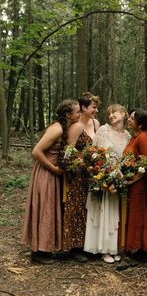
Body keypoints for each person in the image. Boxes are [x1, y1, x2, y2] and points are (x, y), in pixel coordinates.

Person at [22, 99, 80, 264]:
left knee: (49, 210)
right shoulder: (57, 129)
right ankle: (38, 253)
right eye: (77, 112)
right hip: (46, 173)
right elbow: (36, 151)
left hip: (53, 174)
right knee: (45, 209)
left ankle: (45, 248)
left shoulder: (64, 128)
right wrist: (53, 168)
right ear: (68, 114)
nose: (79, 114)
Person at [84, 104, 131, 263]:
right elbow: (94, 153)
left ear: (123, 113)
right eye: (109, 113)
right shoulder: (103, 130)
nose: (111, 115)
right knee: (105, 211)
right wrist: (102, 172)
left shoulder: (127, 135)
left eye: (114, 112)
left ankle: (115, 247)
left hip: (119, 179)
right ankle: (104, 250)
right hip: (103, 177)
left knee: (116, 214)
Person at [62, 92, 100, 262]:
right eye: (93, 107)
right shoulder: (76, 127)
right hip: (78, 174)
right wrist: (83, 162)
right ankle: (74, 247)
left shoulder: (97, 123)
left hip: (94, 173)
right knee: (76, 207)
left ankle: (89, 244)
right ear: (84, 108)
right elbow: (68, 151)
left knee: (90, 208)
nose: (96, 110)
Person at [124, 109, 147, 256]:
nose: (128, 119)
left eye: (132, 118)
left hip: (140, 185)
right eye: (129, 117)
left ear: (140, 124)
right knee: (133, 214)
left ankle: (140, 247)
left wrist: (134, 179)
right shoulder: (133, 138)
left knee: (139, 214)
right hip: (132, 183)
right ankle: (133, 245)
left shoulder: (144, 138)